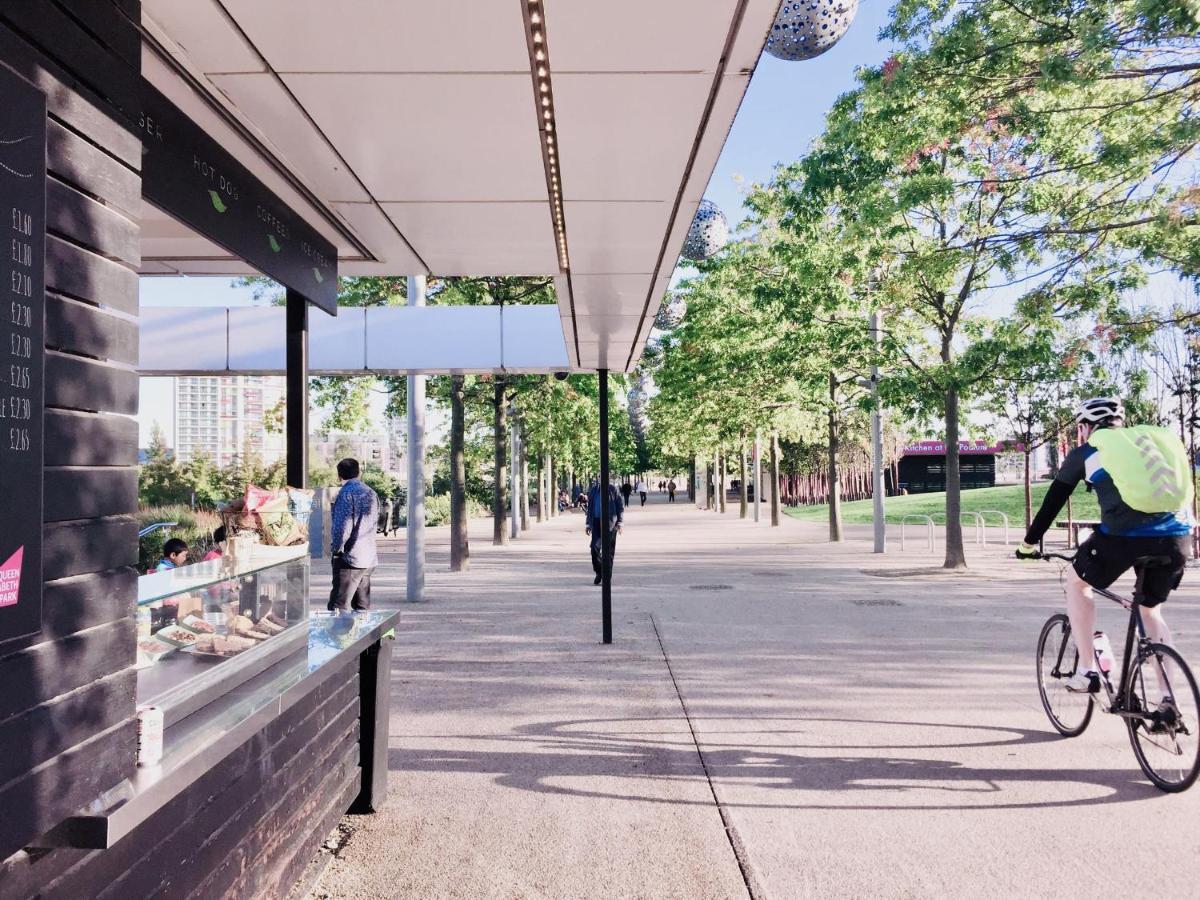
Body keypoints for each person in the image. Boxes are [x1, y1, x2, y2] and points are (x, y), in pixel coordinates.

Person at [1017, 397, 1194, 693]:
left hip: (1123, 538)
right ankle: (1167, 701)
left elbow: (1052, 505)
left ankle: (1086, 671)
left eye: (1080, 428)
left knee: (1077, 582)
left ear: (1086, 426)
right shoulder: (1149, 445)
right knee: (1150, 611)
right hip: (1176, 537)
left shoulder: (1088, 451)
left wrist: (1028, 544)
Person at [328, 458, 380, 612]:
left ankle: (337, 636)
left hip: (350, 558)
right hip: (369, 557)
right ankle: (366, 636)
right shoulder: (371, 492)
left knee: (339, 607)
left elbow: (342, 528)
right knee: (362, 608)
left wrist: (336, 549)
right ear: (359, 472)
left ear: (339, 476)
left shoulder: (345, 494)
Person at [586, 477, 624, 585]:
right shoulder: (594, 490)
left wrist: (620, 523)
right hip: (596, 523)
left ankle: (607, 577)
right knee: (594, 548)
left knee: (609, 552)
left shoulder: (613, 489)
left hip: (610, 523)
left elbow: (620, 506)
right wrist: (588, 524)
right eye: (599, 477)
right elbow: (590, 508)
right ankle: (599, 571)